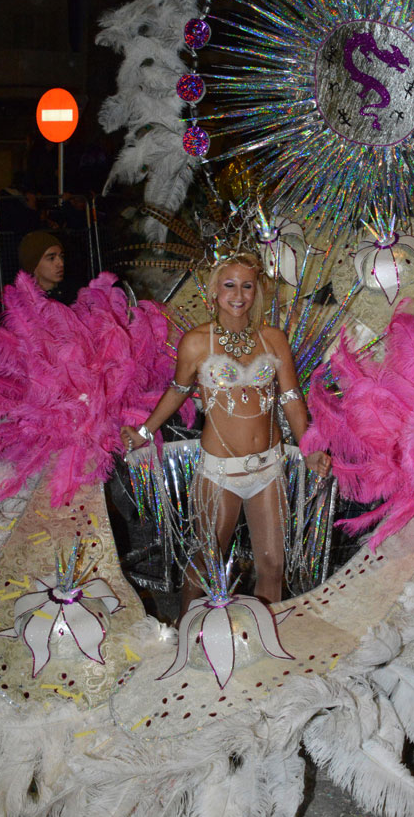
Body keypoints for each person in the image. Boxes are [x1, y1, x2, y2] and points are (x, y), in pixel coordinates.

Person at [120, 251, 331, 609]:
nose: (238, 294)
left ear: (257, 291)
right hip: (220, 471)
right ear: (214, 291)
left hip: (268, 468)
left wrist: (309, 447)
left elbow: (292, 398)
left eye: (247, 286)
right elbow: (178, 390)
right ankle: (189, 630)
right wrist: (144, 430)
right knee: (207, 562)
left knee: (273, 564)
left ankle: (265, 642)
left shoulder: (274, 338)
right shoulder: (197, 342)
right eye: (229, 285)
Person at [18, 231, 67, 298]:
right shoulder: (22, 303)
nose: (61, 264)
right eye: (51, 258)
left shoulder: (74, 298)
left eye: (61, 256)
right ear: (34, 265)